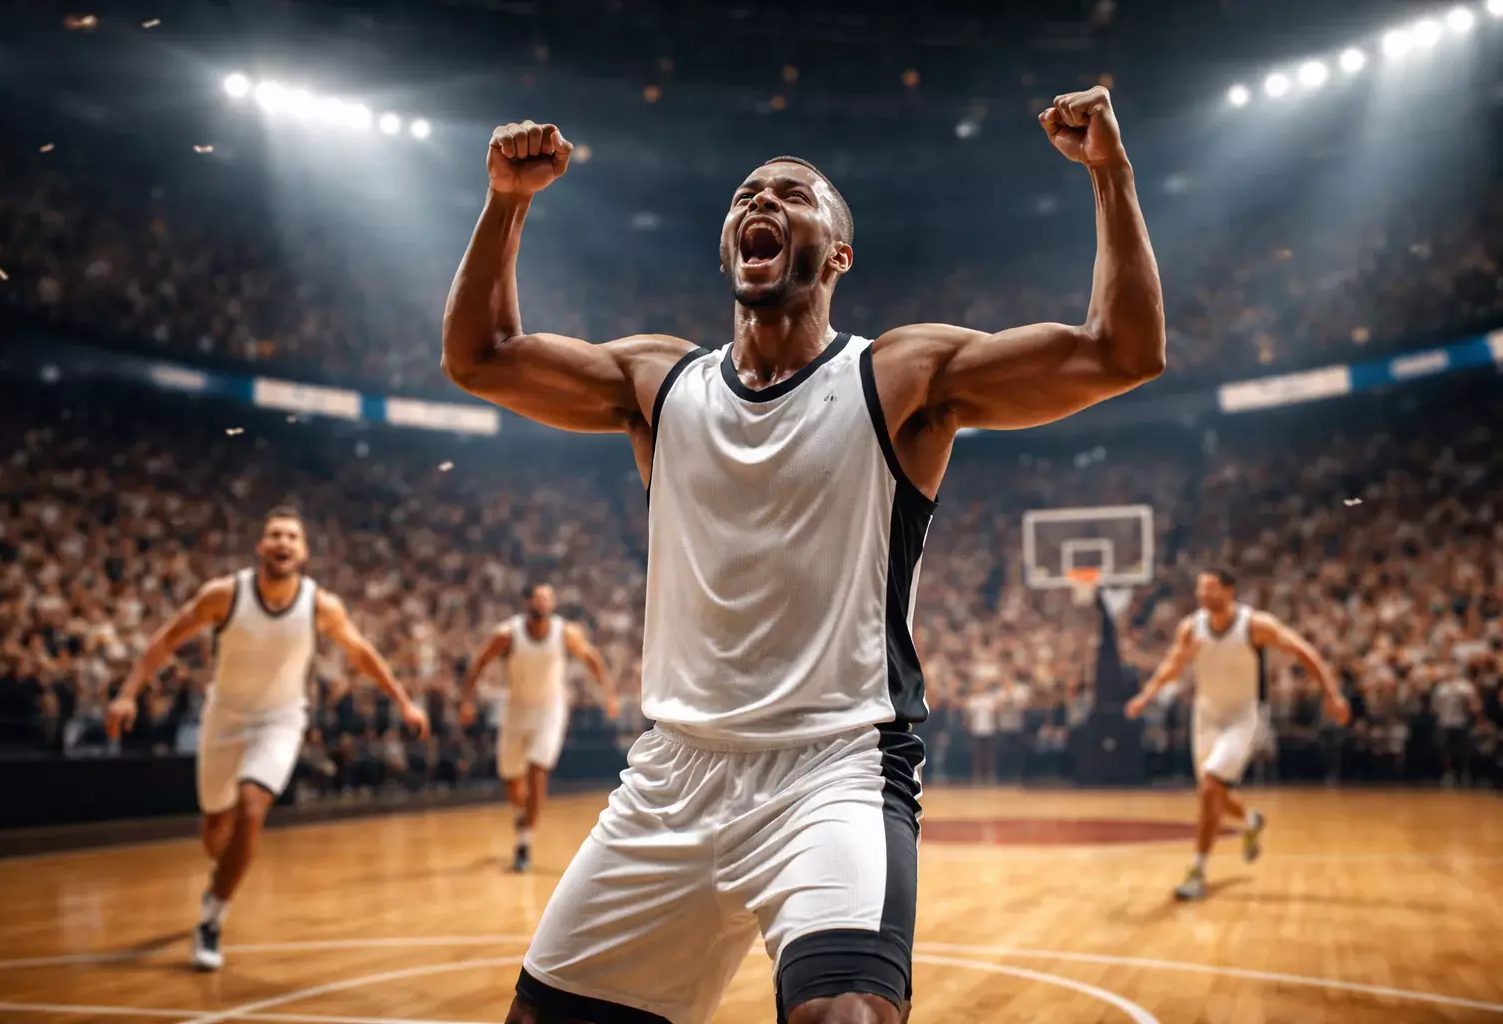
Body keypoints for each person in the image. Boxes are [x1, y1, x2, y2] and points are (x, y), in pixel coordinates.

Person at [442, 85, 1165, 1024]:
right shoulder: (659, 382)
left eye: (791, 192)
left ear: (839, 252)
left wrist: (1111, 174)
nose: (760, 202)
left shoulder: (901, 375)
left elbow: (1123, 351)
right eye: (747, 194)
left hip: (835, 767)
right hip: (673, 773)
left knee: (846, 1016)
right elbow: (481, 355)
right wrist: (506, 202)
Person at [105, 507, 429, 970]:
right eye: (274, 534)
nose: (282, 542)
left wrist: (402, 700)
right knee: (215, 830)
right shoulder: (224, 594)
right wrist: (127, 694)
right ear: (261, 546)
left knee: (252, 806)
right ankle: (222, 877)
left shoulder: (321, 603)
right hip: (224, 718)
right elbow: (167, 638)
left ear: (303, 551)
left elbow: (360, 652)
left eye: (292, 537)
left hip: (281, 719)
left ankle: (212, 917)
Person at [1125, 569, 1349, 901]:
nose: (1203, 594)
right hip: (1205, 717)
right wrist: (1146, 695)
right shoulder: (1190, 627)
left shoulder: (1255, 625)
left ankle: (1197, 871)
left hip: (1244, 717)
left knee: (1211, 786)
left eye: (1211, 588)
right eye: (1201, 588)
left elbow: (1305, 652)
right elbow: (1172, 664)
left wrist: (1332, 694)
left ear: (1229, 591)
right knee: (1211, 791)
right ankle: (1250, 821)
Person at [461, 583, 615, 872]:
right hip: (516, 710)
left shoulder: (564, 632)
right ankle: (522, 814)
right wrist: (466, 701)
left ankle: (524, 842)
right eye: (539, 597)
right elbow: (479, 663)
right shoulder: (507, 634)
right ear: (527, 601)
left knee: (537, 768)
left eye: (549, 597)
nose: (544, 602)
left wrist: (608, 694)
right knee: (511, 777)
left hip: (550, 710)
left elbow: (592, 658)